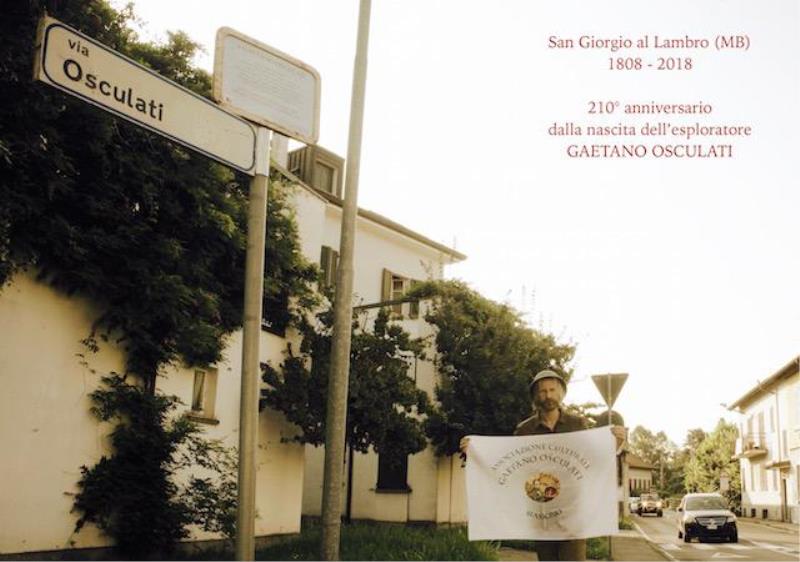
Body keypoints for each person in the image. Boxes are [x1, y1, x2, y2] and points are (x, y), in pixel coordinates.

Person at [461, 369, 626, 562]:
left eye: (552, 390)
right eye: (542, 391)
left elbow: (592, 459)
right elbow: (509, 464)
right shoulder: (525, 429)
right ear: (535, 396)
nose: (548, 395)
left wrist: (616, 443)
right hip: (541, 515)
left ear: (561, 393)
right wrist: (475, 452)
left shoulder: (577, 424)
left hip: (572, 514)